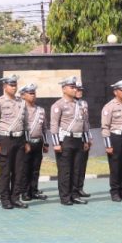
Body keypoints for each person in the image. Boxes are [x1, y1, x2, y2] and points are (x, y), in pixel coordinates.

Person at [0, 75, 28, 210]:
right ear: (5, 86)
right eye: (11, 85)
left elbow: (25, 124)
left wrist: (26, 141)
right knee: (5, 172)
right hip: (5, 140)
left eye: (15, 85)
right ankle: (5, 199)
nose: (14, 87)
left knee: (19, 171)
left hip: (19, 139)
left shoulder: (21, 102)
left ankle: (15, 198)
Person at [49, 77, 90, 206]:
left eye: (75, 87)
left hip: (78, 139)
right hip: (65, 140)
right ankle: (65, 197)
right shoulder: (58, 105)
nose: (74, 89)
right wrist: (56, 143)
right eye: (71, 87)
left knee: (76, 169)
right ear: (64, 89)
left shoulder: (80, 105)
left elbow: (84, 124)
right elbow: (54, 125)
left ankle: (75, 194)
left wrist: (86, 140)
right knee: (65, 170)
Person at [17, 84, 49, 202]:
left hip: (38, 143)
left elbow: (44, 128)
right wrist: (25, 142)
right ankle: (24, 192)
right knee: (25, 169)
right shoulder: (21, 109)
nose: (33, 95)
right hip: (26, 143)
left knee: (35, 169)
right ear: (23, 96)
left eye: (34, 93)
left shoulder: (40, 110)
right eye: (30, 93)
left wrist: (46, 143)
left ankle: (34, 191)